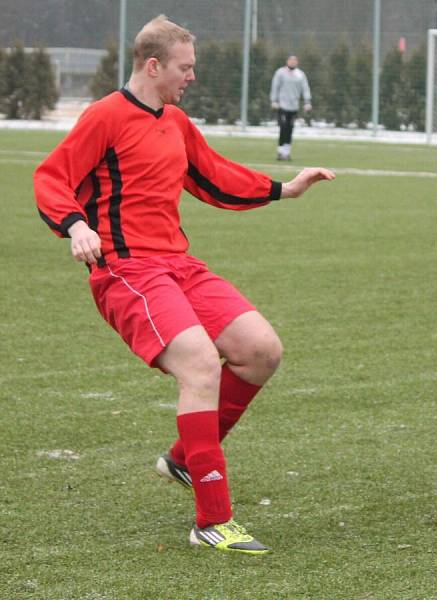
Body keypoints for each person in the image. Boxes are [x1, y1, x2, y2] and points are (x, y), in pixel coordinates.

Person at [33, 15, 335, 554]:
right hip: (126, 270)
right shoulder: (104, 117)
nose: (190, 77)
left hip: (179, 264)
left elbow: (213, 175)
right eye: (184, 67)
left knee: (261, 351)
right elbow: (51, 177)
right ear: (154, 66)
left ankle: (182, 458)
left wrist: (284, 189)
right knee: (199, 363)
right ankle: (212, 521)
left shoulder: (175, 121)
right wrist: (76, 225)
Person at [270, 54, 312, 161]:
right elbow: (275, 87)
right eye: (291, 60)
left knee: (290, 129)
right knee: (283, 127)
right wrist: (274, 101)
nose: (293, 62)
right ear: (287, 61)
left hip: (294, 107)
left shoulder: (300, 75)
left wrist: (307, 102)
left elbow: (305, 88)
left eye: (295, 60)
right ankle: (280, 152)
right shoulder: (280, 73)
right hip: (282, 106)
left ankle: (286, 152)